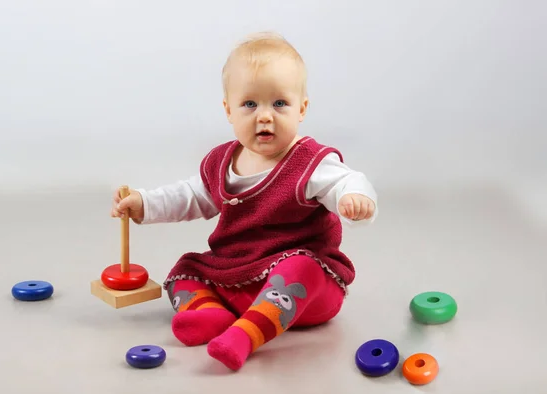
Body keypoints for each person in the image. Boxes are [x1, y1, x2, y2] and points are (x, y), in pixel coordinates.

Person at [110, 32, 378, 371]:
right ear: (228, 111)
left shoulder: (309, 163)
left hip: (303, 292)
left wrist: (354, 196)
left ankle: (245, 335)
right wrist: (144, 204)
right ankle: (211, 315)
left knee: (301, 265)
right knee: (184, 271)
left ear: (302, 109)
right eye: (250, 104)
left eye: (279, 103)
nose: (264, 116)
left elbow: (346, 180)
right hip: (239, 277)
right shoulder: (222, 162)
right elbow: (191, 196)